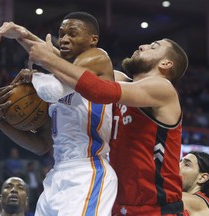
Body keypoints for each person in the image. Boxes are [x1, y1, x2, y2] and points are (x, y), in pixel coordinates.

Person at [13, 35, 189, 215]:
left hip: (157, 208)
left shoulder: (163, 88)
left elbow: (98, 90)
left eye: (154, 46)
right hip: (119, 206)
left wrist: (47, 59)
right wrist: (21, 35)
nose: (142, 45)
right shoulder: (123, 81)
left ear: (166, 64)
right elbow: (77, 68)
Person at [0, 12, 117, 215]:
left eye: (73, 34)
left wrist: (37, 74)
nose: (65, 39)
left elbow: (54, 88)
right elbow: (42, 145)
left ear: (93, 39)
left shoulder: (98, 58)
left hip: (88, 171)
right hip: (57, 174)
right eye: (62, 34)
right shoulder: (60, 74)